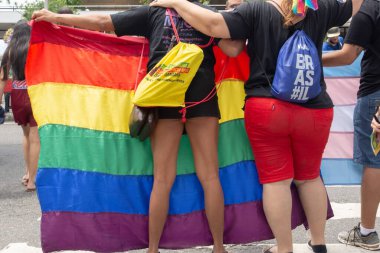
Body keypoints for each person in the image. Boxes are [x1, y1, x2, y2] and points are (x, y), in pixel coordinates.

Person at [148, 0, 363, 252]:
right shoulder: (318, 7)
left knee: (277, 182)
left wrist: (177, 2)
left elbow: (213, 24)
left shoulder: (255, 9)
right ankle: (318, 243)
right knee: (310, 177)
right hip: (315, 109)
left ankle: (284, 248)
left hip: (267, 108)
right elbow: (356, 6)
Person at [32, 4, 245, 253]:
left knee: (163, 179)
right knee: (209, 176)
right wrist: (243, 19)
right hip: (203, 97)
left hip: (163, 95)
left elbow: (102, 20)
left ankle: (152, 249)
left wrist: (55, 17)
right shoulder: (206, 14)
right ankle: (219, 248)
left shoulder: (153, 12)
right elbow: (233, 49)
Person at [322, 0, 380, 250]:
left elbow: (347, 56)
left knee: (374, 162)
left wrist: (313, 58)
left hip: (374, 95)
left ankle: (367, 232)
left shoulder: (369, 9)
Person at [1, 21, 40, 191]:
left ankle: (27, 173)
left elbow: (2, 80)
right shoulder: (36, 48)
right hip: (35, 94)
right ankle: (32, 180)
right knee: (35, 138)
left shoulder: (9, 52)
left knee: (25, 136)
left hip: (17, 94)